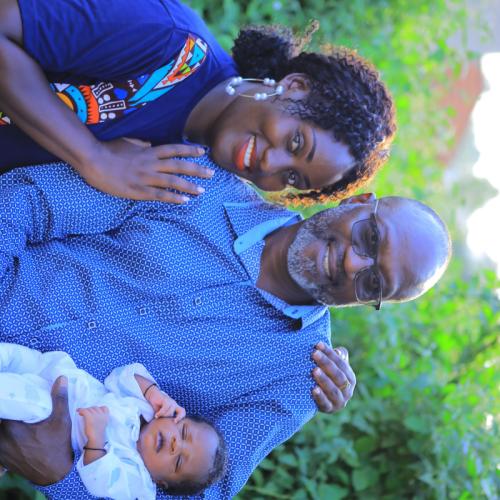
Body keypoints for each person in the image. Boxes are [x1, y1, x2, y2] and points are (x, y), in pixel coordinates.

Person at [0, 155, 450, 499]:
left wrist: (57, 472)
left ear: (371, 302)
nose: (353, 263)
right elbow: (34, 200)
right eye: (371, 237)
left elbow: (192, 493)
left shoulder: (298, 380)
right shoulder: (205, 183)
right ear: (357, 201)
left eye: (374, 282)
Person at [0, 0, 395, 205]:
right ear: (294, 86)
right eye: (296, 142)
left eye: (292, 179)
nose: (270, 165)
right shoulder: (167, 41)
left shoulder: (188, 182)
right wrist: (94, 157)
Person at [0, 343, 227, 498]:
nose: (176, 444)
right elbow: (121, 376)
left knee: (31, 400)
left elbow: (99, 481)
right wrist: (152, 392)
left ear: (161, 482)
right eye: (183, 432)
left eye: (178, 462)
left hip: (49, 414)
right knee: (13, 357)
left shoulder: (136, 479)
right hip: (54, 370)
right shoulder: (148, 409)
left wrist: (96, 439)